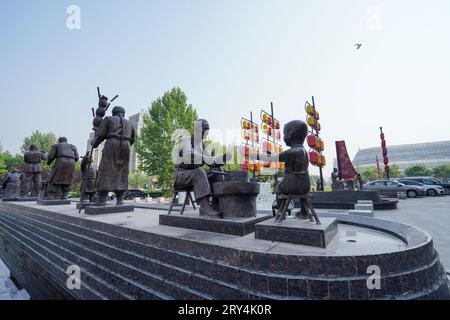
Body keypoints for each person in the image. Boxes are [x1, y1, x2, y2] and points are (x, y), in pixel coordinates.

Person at [173, 119, 231, 218]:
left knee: (217, 171)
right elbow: (187, 155)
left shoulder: (203, 146)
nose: (206, 134)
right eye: (204, 130)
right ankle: (204, 207)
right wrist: (204, 157)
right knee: (199, 172)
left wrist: (222, 159)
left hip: (193, 174)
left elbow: (211, 162)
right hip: (181, 175)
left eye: (207, 131)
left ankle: (216, 204)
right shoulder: (187, 140)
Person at [91, 106, 136, 206]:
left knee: (106, 170)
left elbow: (101, 134)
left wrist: (94, 142)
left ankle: (102, 199)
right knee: (122, 172)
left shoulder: (108, 119)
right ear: (123, 113)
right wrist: (125, 144)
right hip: (126, 146)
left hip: (112, 144)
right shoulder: (130, 123)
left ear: (113, 113)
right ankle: (120, 200)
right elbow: (133, 139)